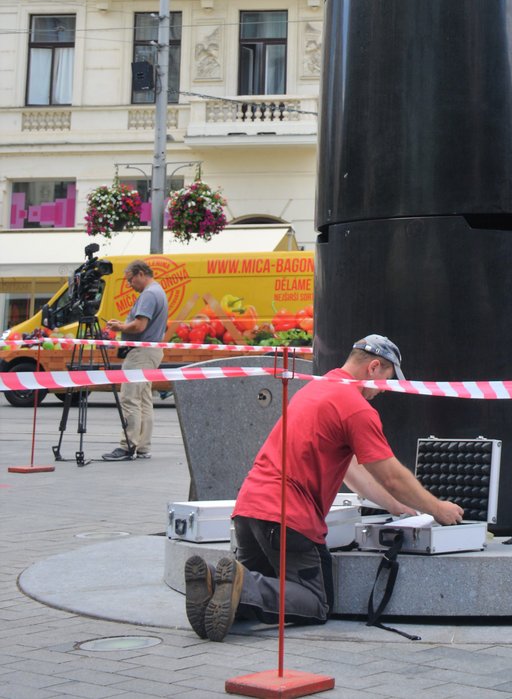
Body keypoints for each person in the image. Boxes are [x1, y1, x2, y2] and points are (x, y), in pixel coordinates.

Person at [185, 333, 464, 642]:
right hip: (288, 517)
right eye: (386, 379)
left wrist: (397, 508)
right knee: (315, 602)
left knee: (251, 586)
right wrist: (437, 508)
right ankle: (241, 583)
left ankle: (215, 584)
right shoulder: (356, 407)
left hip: (249, 510)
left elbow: (354, 472)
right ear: (373, 367)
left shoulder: (315, 389)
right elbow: (391, 476)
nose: (384, 390)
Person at [101, 260, 167, 461]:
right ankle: (143, 446)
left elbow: (139, 326)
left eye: (130, 280)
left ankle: (127, 446)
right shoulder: (159, 291)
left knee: (130, 398)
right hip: (152, 351)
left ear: (140, 274)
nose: (130, 285)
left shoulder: (148, 294)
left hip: (141, 352)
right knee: (144, 400)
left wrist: (119, 327)